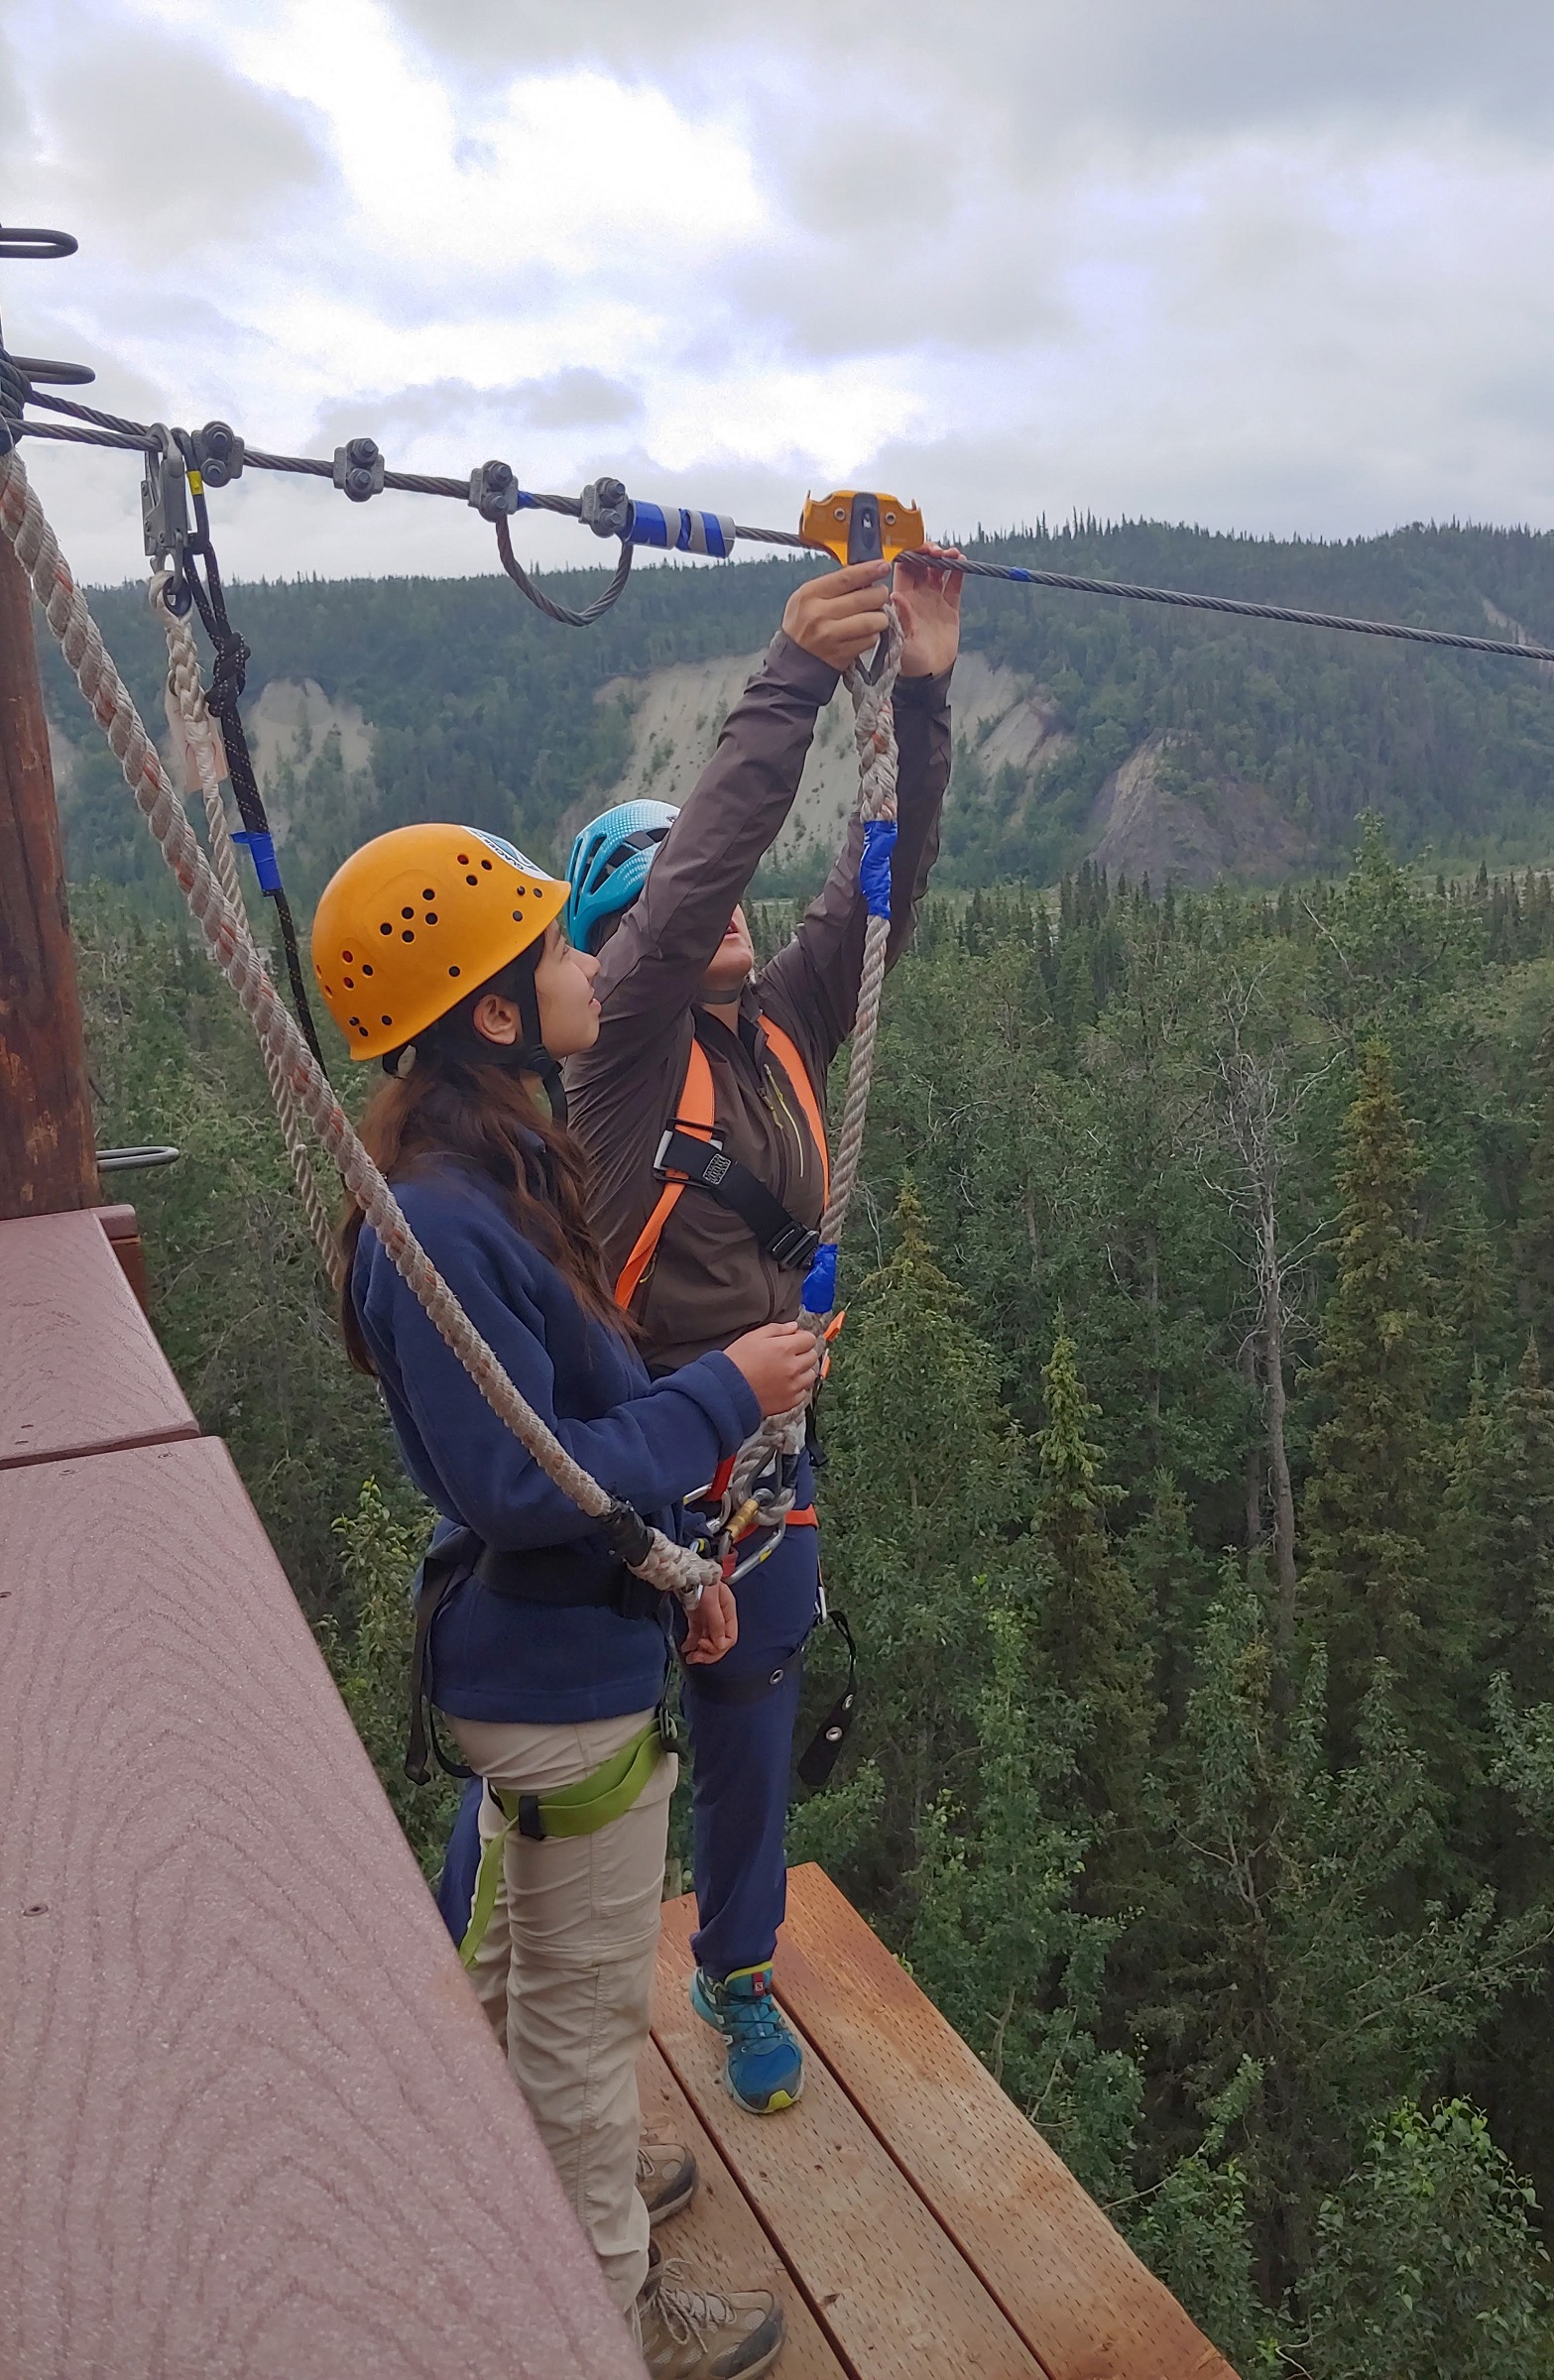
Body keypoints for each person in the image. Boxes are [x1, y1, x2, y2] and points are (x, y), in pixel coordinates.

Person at [312, 820, 819, 2378]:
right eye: (556, 951)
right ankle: (603, 2314)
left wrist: (673, 1582)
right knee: (584, 2022)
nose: (589, 964)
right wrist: (726, 1393)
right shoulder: (451, 1223)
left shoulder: (479, 1175)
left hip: (562, 1648)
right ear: (493, 1014)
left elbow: (559, 1469)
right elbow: (533, 1483)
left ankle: (538, 2190)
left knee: (530, 1975)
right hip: (549, 1687)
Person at [560, 548, 962, 2116]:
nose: (717, 907)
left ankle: (736, 1972)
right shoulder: (621, 1055)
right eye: (672, 898)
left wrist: (918, 706)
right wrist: (790, 674)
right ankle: (500, 1979)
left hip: (765, 1461)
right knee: (579, 1752)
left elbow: (888, 881)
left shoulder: (784, 1022)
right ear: (622, 943)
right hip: (641, 1455)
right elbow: (692, 890)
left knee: (748, 1726)